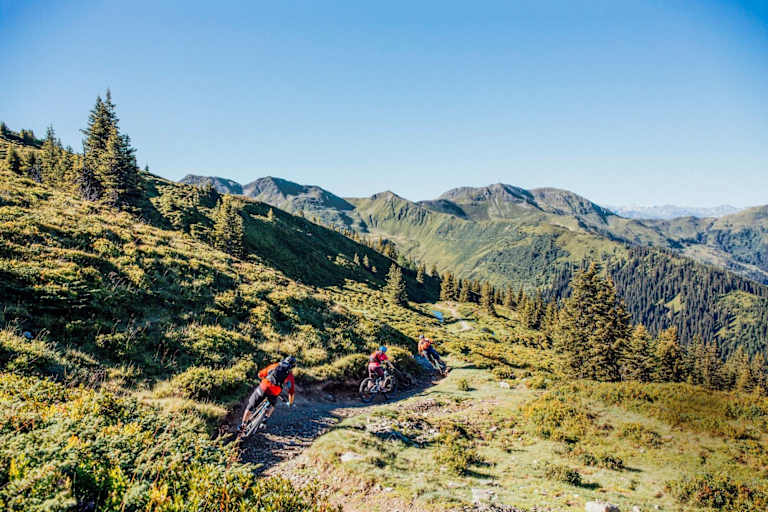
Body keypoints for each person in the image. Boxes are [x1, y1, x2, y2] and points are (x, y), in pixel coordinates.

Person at [240, 356, 296, 431]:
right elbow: (291, 392)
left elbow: (260, 374)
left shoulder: (274, 365)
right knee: (272, 404)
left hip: (264, 387)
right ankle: (264, 420)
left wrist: (264, 378)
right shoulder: (290, 375)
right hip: (275, 392)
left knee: (250, 405)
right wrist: (290, 403)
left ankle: (243, 424)